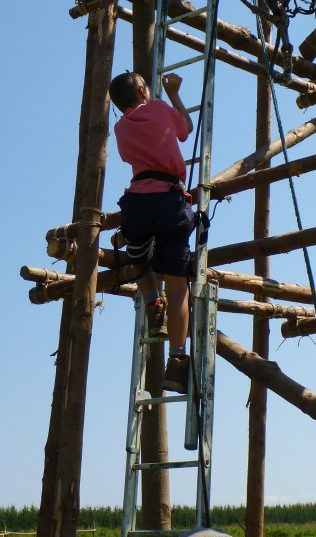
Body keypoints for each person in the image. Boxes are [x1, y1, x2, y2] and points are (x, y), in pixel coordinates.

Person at [109, 70, 195, 393]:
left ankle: (151, 304)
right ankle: (176, 361)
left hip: (137, 201)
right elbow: (185, 130)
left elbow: (128, 156)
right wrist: (173, 94)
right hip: (170, 200)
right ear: (145, 89)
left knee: (137, 255)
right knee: (177, 285)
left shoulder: (120, 127)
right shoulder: (158, 107)